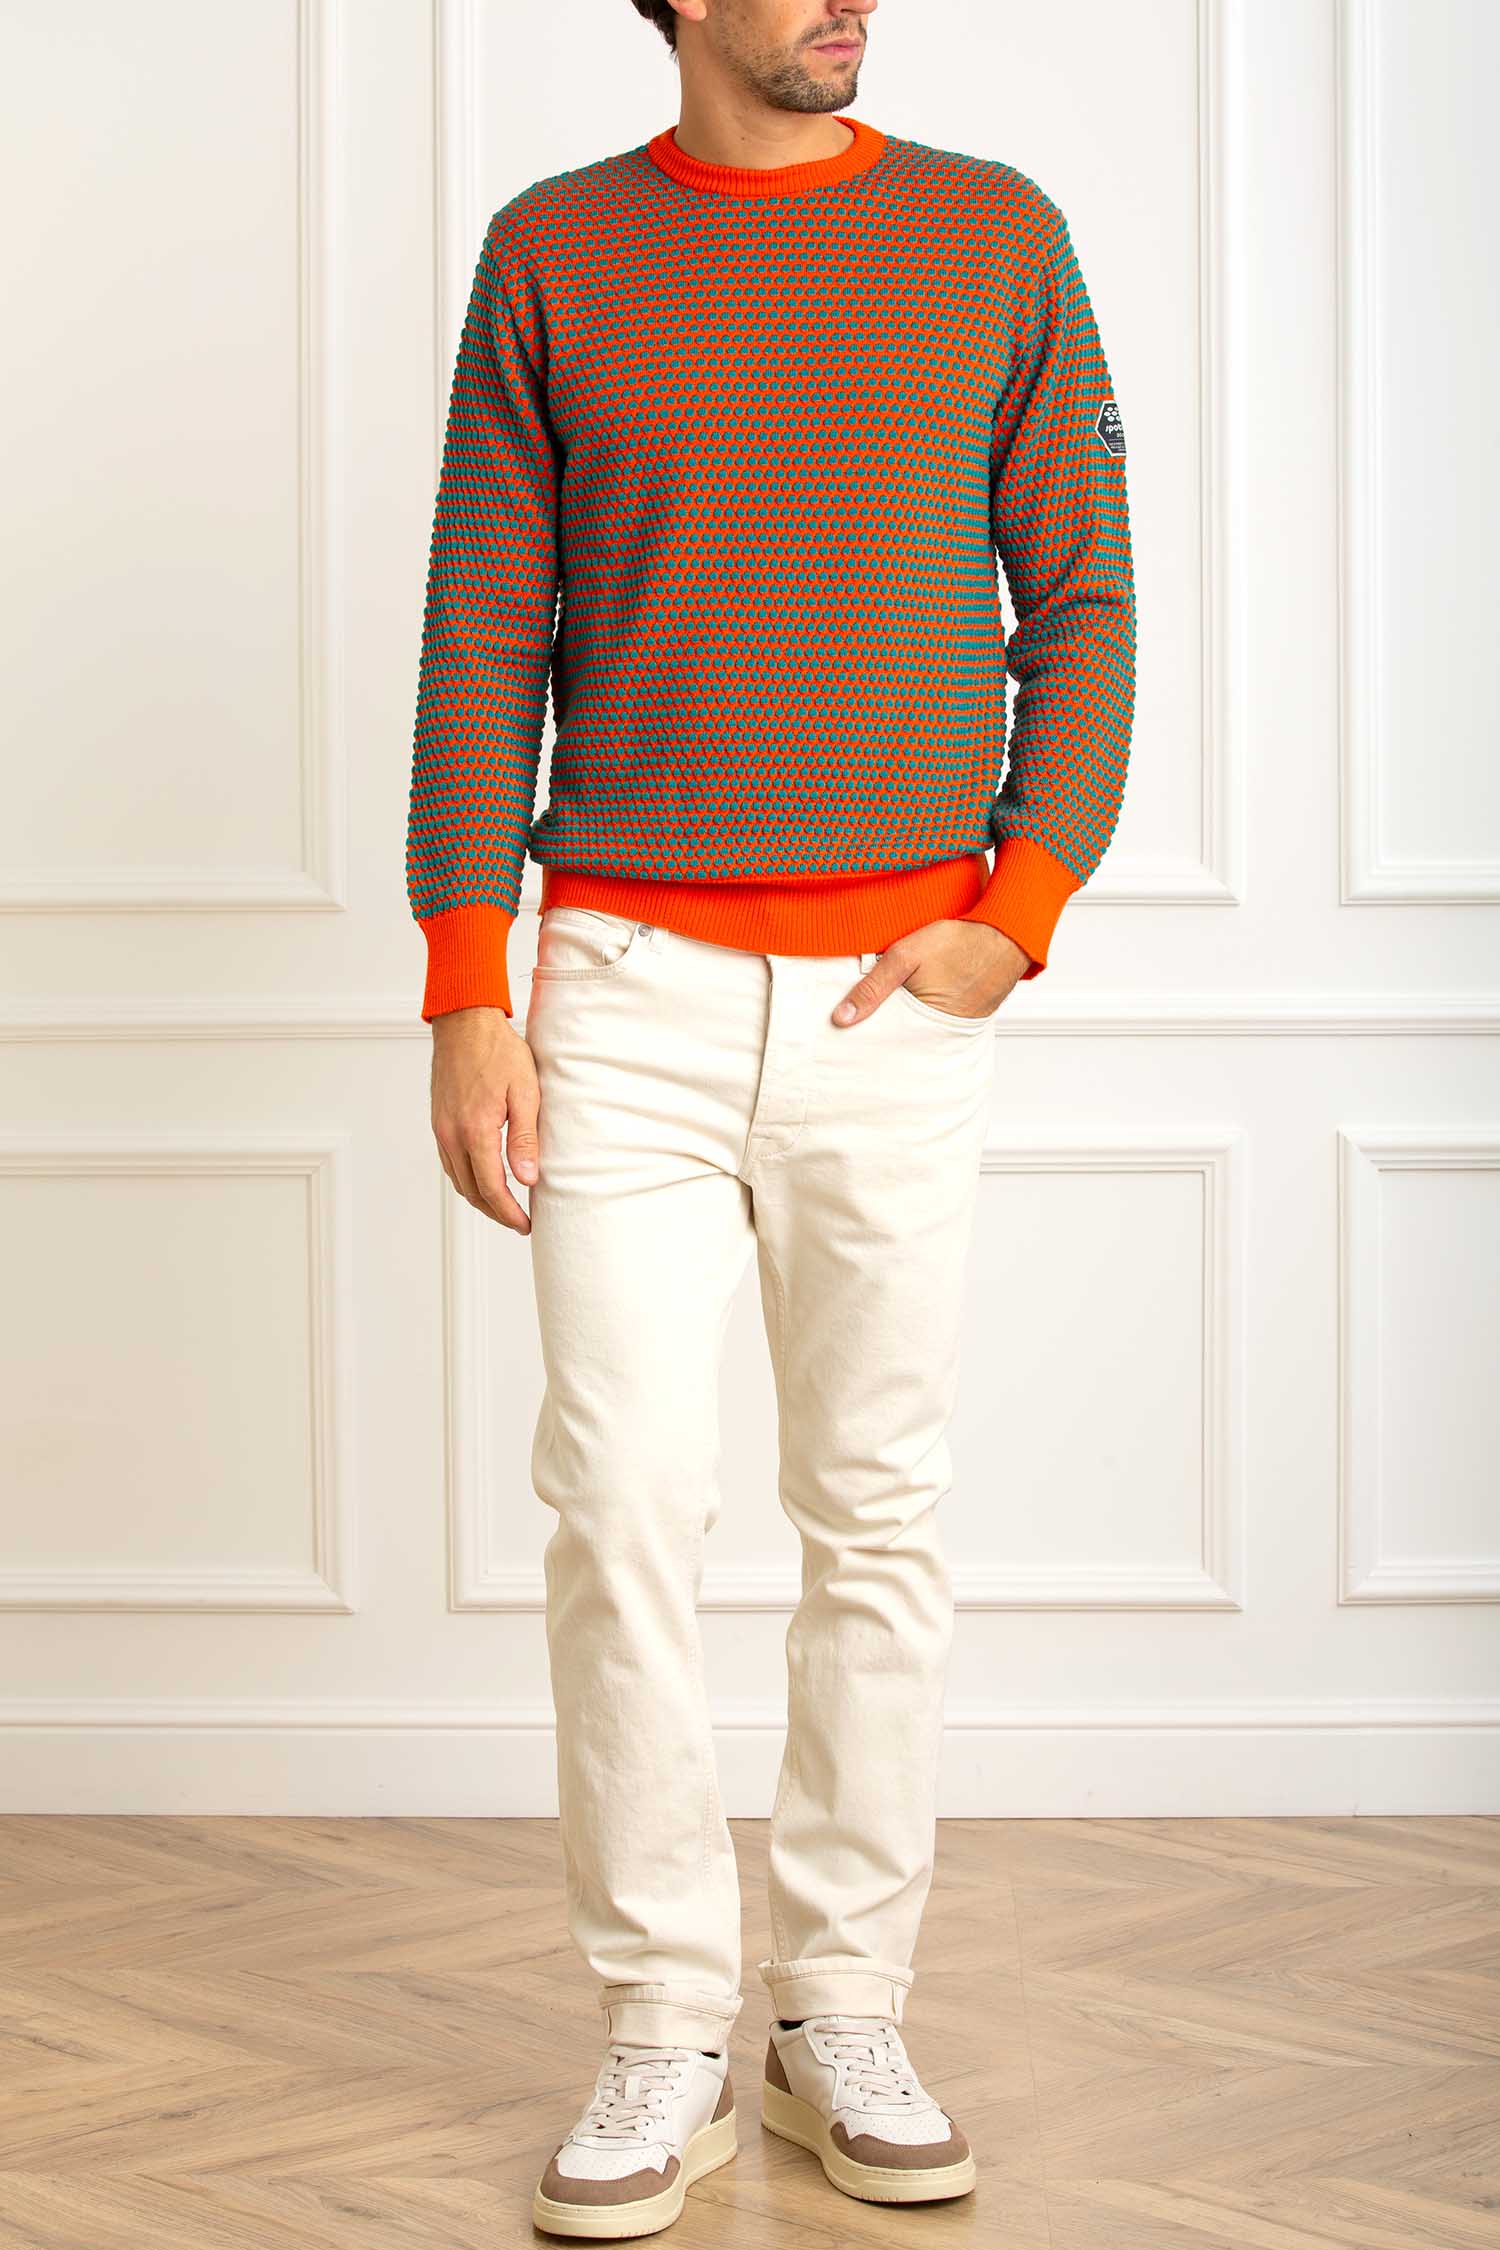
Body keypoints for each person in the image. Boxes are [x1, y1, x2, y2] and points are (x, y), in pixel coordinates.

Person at [405, 0, 1135, 2233]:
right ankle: (661, 2020)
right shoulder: (554, 252)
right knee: (622, 1504)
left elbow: (1084, 598)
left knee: (874, 1514)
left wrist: (1019, 909)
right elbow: (480, 633)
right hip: (618, 986)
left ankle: (838, 2007)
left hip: (897, 988)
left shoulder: (993, 238)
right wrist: (465, 982)